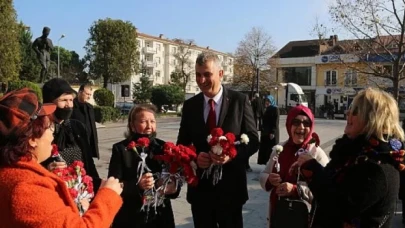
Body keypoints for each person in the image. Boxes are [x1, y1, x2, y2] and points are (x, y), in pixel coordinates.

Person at [0, 88, 123, 227]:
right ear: (32, 139)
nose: (52, 134)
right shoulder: (26, 188)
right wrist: (108, 195)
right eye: (49, 127)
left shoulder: (10, 171)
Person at [295, 88, 405, 228]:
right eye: (349, 109)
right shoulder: (351, 153)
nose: (348, 113)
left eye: (355, 111)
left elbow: (339, 206)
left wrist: (312, 168)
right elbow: (331, 184)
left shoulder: (378, 166)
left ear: (372, 118)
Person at [177, 52, 259, 228]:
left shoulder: (239, 101)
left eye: (207, 74)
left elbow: (253, 140)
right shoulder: (190, 106)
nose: (201, 80)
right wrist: (194, 158)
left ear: (220, 74)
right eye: (198, 74)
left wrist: (232, 155)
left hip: (231, 190)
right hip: (200, 192)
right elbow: (181, 145)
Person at [108, 104, 180, 228]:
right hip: (131, 216)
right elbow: (113, 185)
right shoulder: (121, 149)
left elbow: (174, 177)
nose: (149, 126)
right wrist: (137, 185)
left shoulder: (164, 147)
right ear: (132, 125)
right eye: (143, 121)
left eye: (152, 121)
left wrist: (172, 188)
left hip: (160, 216)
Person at [259, 105, 329, 228]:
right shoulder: (280, 149)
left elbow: (326, 191)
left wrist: (295, 190)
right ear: (289, 125)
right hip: (279, 214)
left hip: (304, 218)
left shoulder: (316, 154)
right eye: (296, 122)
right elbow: (264, 173)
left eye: (306, 123)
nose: (301, 127)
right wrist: (269, 179)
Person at [41, 78, 101, 193]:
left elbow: (88, 162)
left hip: (82, 192)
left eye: (71, 100)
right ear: (49, 103)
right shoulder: (40, 131)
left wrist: (97, 186)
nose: (68, 105)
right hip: (54, 192)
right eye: (63, 100)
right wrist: (46, 169)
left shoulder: (77, 127)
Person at [71, 83, 99, 159]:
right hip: (76, 145)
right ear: (80, 92)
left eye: (90, 95)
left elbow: (92, 127)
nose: (89, 97)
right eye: (87, 94)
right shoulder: (71, 106)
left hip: (88, 145)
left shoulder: (90, 108)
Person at [258, 95, 280, 165]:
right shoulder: (267, 109)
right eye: (266, 101)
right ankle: (265, 164)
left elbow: (276, 121)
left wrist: (273, 132)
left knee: (271, 149)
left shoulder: (275, 109)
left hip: (272, 132)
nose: (267, 102)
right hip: (265, 132)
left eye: (269, 101)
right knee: (265, 149)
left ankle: (271, 164)